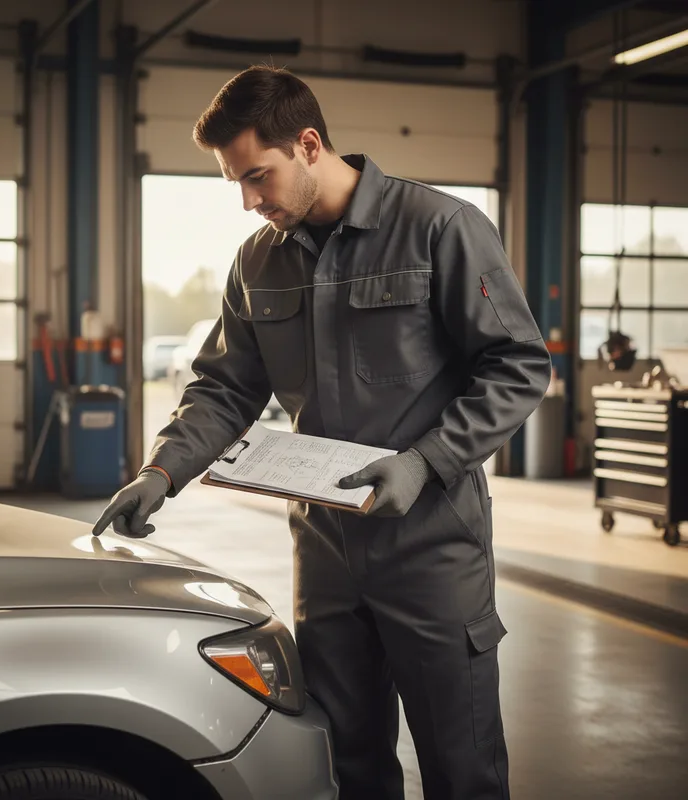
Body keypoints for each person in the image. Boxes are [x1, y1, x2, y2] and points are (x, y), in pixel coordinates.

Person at [93, 65, 551, 799]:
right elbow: (225, 385)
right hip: (325, 549)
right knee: (349, 762)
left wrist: (426, 461)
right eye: (235, 184)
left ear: (309, 144)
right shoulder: (259, 263)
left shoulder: (440, 228)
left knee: (461, 767)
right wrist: (162, 471)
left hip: (430, 544)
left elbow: (518, 367)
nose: (249, 202)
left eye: (258, 177)